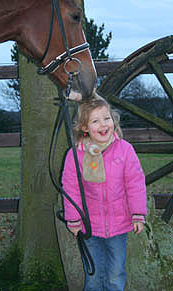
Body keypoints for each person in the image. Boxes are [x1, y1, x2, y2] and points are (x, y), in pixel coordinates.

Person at [62, 95, 147, 291]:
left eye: (106, 118)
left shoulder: (125, 150)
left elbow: (135, 183)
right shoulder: (76, 154)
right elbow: (71, 187)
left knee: (115, 273)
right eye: (95, 121)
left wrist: (138, 214)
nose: (103, 125)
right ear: (84, 127)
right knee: (93, 274)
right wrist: (73, 219)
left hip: (119, 225)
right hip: (89, 226)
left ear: (113, 120)